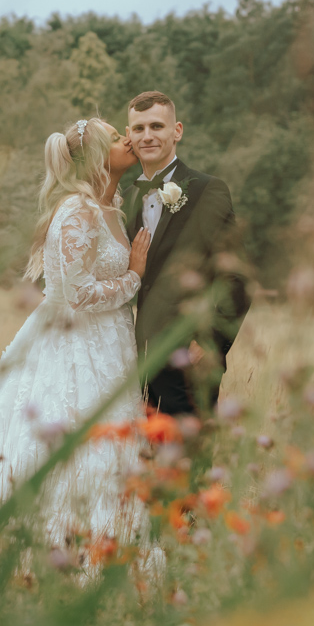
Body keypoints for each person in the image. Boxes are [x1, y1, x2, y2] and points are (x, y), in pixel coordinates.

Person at [0, 117, 151, 550]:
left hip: (109, 344)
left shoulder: (110, 202)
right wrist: (134, 276)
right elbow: (77, 295)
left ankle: (107, 538)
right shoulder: (78, 211)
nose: (128, 140)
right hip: (73, 345)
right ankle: (46, 541)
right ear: (100, 155)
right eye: (118, 137)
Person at [124, 91, 250, 417]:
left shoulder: (208, 191)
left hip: (190, 358)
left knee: (190, 457)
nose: (147, 136)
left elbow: (237, 276)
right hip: (139, 358)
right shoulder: (125, 198)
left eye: (156, 126)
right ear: (129, 135)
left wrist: (210, 344)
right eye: (138, 128)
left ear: (176, 131)